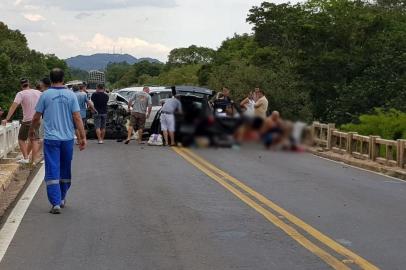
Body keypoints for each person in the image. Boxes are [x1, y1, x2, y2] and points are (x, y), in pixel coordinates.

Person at [29, 68, 86, 214]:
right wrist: (82, 136)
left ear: (50, 78)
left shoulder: (45, 95)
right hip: (67, 139)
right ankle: (62, 198)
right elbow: (77, 117)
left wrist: (32, 130)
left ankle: (55, 203)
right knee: (65, 168)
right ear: (63, 78)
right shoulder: (71, 95)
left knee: (52, 169)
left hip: (51, 139)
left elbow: (36, 117)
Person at [2, 78, 41, 164]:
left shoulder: (21, 94)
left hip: (27, 120)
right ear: (28, 83)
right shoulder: (38, 92)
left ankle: (26, 158)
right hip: (37, 119)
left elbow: (13, 107)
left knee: (21, 139)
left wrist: (7, 118)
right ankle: (34, 160)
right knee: (34, 139)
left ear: (21, 85)